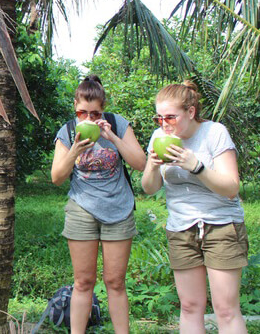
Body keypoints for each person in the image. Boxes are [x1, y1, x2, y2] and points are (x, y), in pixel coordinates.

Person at [141, 81, 248, 333]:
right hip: (181, 228)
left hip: (221, 225)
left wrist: (196, 166)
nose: (165, 124)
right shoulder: (159, 137)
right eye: (160, 118)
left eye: (171, 117)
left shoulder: (214, 133)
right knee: (189, 306)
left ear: (190, 112)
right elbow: (149, 187)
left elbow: (231, 187)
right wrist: (153, 165)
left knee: (225, 309)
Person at [50, 75, 146, 334]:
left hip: (119, 209)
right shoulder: (68, 131)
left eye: (95, 113)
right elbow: (57, 177)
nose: (89, 119)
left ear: (104, 108)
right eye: (83, 113)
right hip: (82, 209)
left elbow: (141, 163)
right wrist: (75, 151)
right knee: (83, 282)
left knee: (115, 281)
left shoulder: (118, 124)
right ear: (75, 107)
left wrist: (112, 137)